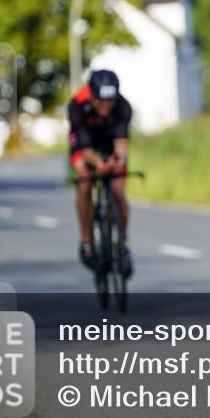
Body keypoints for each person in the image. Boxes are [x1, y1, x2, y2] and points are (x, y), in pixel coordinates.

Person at [68, 69, 133, 276]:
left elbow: (121, 144)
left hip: (109, 139)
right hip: (85, 140)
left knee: (119, 192)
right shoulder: (77, 106)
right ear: (91, 95)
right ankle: (87, 242)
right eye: (100, 101)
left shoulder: (123, 107)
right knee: (85, 180)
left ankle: (122, 244)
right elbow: (86, 149)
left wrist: (117, 161)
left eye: (110, 101)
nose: (105, 105)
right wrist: (97, 163)